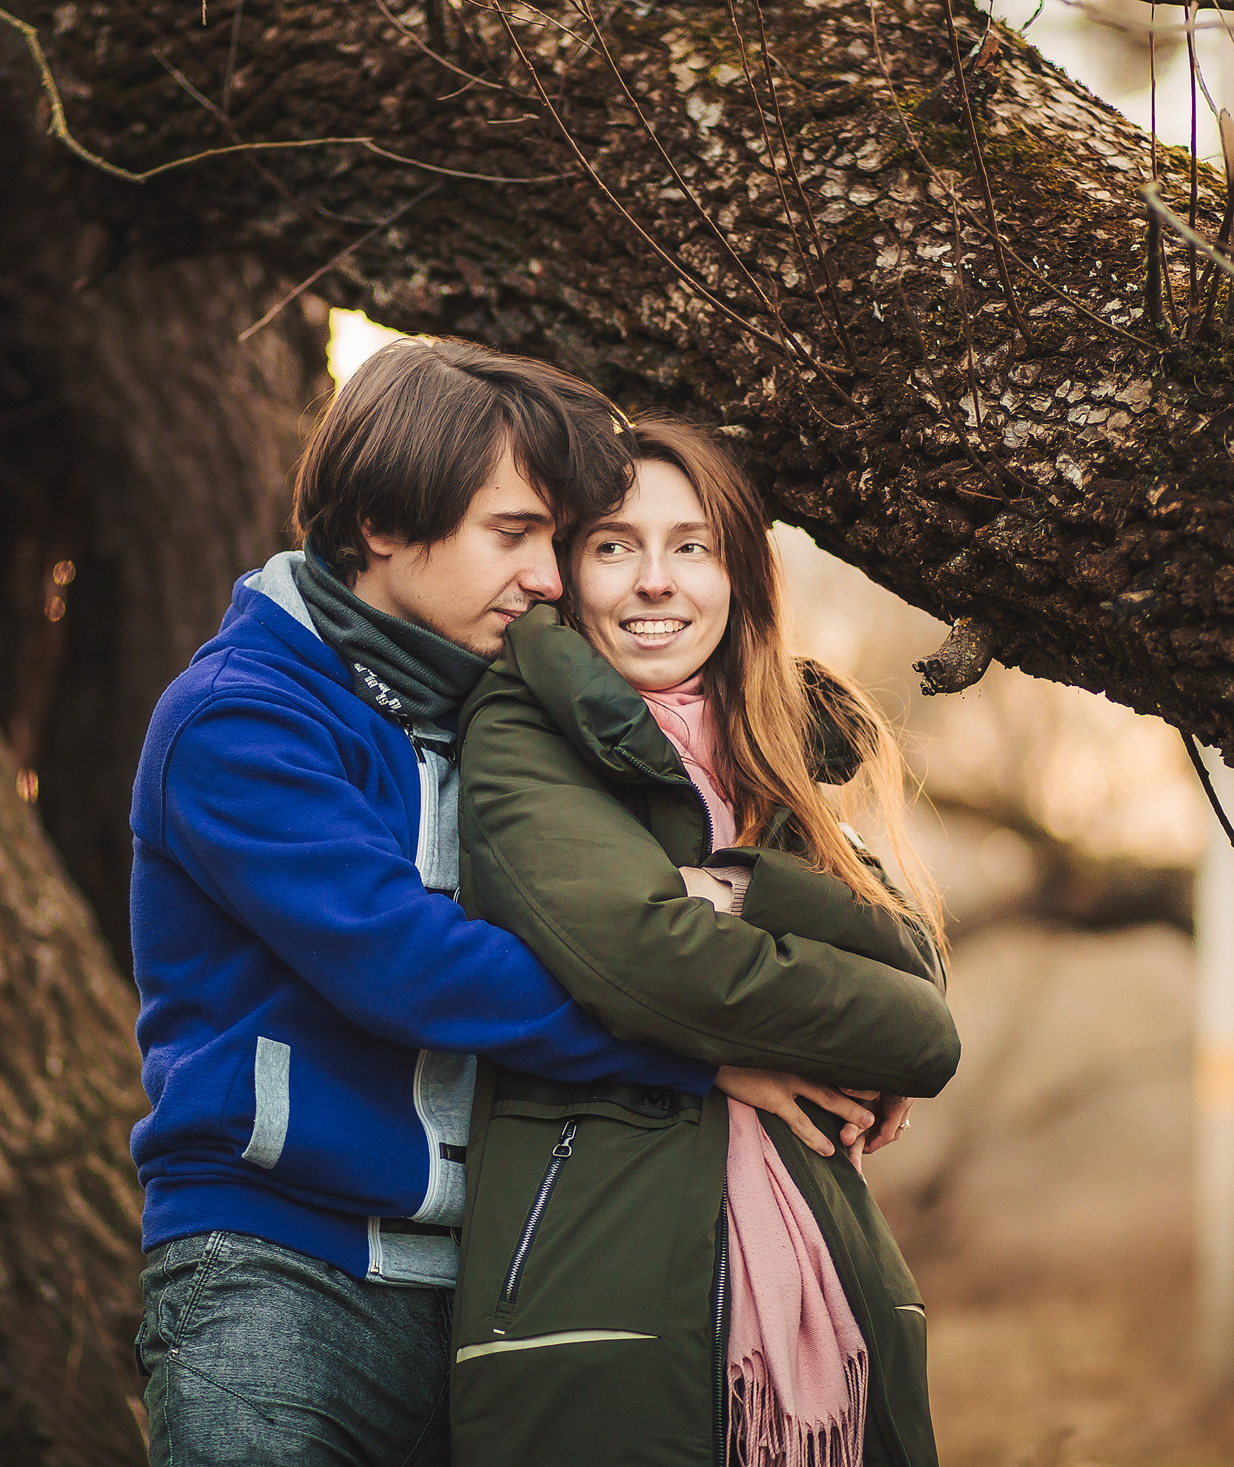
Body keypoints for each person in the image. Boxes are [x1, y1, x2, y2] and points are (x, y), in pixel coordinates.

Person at [127, 340, 823, 1467]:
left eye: (556, 540)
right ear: (382, 526)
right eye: (513, 535)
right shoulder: (238, 718)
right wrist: (701, 1054)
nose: (549, 578)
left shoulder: (509, 712)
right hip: (276, 1274)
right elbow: (406, 962)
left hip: (506, 1276)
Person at [449, 413, 958, 1466]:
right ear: (567, 573)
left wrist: (732, 889)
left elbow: (920, 1010)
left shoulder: (782, 752)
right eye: (612, 547)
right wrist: (750, 987)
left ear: (739, 576)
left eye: (693, 547)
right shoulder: (521, 727)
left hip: (835, 1297)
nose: (655, 582)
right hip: (602, 1296)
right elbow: (648, 962)